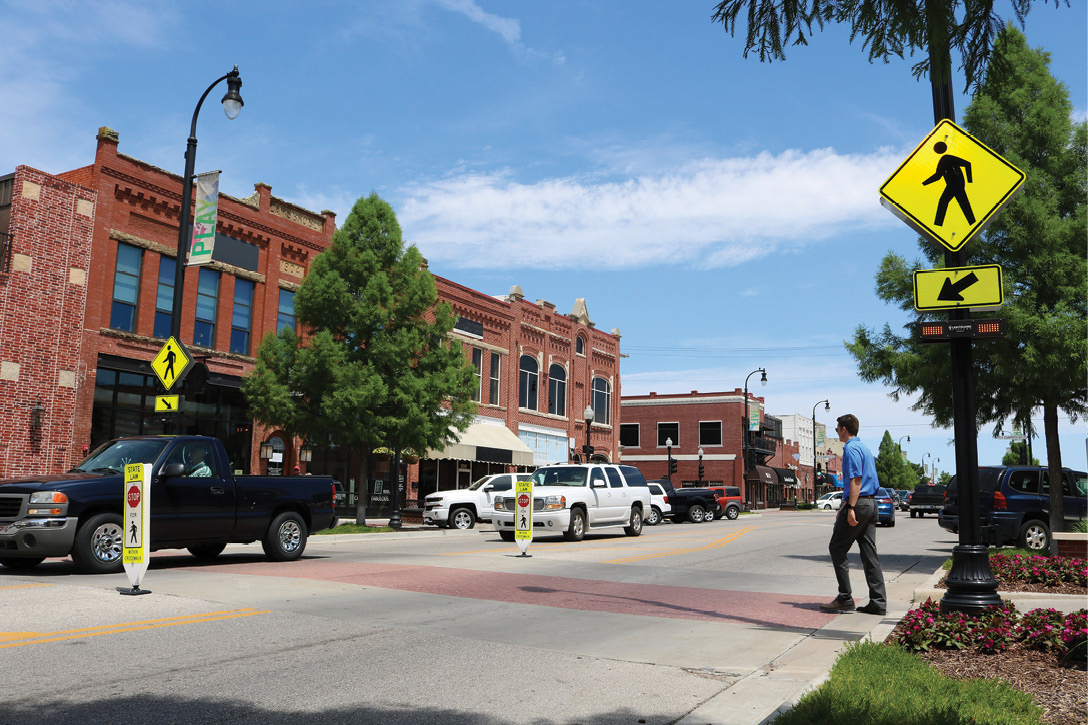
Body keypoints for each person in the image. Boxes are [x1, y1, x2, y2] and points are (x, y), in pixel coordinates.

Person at [819, 414, 887, 615]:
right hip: (871, 503)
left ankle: (845, 598)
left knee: (837, 547)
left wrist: (850, 507)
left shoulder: (850, 448)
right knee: (869, 553)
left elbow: (856, 480)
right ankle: (878, 602)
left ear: (843, 429)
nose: (836, 431)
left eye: (837, 428)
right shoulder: (864, 447)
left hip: (860, 504)